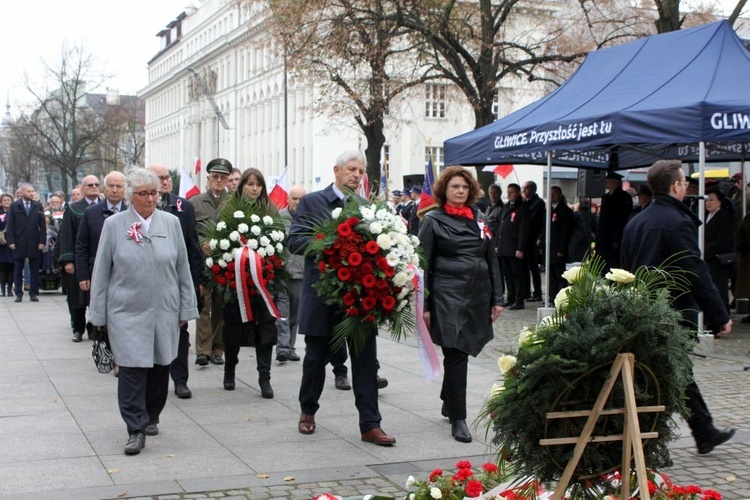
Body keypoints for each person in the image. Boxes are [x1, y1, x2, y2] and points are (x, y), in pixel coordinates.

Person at [621, 159, 735, 455]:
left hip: (641, 310)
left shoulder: (636, 221)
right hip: (671, 310)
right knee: (668, 373)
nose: (687, 188)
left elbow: (624, 270)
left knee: (673, 372)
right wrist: (720, 315)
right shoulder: (676, 222)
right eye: (685, 183)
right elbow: (696, 271)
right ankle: (646, 442)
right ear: (675, 186)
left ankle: (703, 430)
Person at [88, 168, 199, 455]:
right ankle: (135, 428)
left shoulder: (171, 223)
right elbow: (101, 272)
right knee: (132, 370)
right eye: (144, 194)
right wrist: (97, 315)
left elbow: (182, 269)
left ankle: (151, 414)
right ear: (130, 197)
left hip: (164, 309)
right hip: (125, 311)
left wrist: (186, 307)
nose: (151, 199)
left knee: (161, 368)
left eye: (155, 194)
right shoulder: (114, 226)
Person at [289, 150, 395, 446]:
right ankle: (307, 411)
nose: (357, 175)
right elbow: (294, 240)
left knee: (365, 363)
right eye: (351, 169)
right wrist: (331, 243)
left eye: (361, 171)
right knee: (315, 360)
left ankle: (370, 425)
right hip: (323, 298)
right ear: (336, 170)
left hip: (361, 299)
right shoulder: (313, 202)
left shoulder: (368, 207)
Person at [418, 166, 503, 443]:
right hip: (446, 295)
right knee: (456, 352)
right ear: (445, 190)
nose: (460, 191)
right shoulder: (432, 221)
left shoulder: (480, 219)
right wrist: (425, 306)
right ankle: (459, 418)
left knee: (461, 352)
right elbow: (424, 266)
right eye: (455, 186)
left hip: (478, 295)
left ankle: (449, 398)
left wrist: (497, 299)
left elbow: (492, 259)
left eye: (464, 187)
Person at [147, 164, 205, 399]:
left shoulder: (183, 207)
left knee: (180, 330)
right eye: (159, 178)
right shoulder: (138, 207)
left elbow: (192, 246)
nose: (165, 181)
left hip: (176, 280)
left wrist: (198, 280)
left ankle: (180, 380)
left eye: (167, 178)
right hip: (147, 283)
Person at [221, 168, 278, 398]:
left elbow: (278, 239)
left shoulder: (270, 211)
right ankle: (229, 370)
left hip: (264, 283)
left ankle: (264, 378)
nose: (254, 189)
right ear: (241, 185)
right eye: (250, 184)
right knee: (234, 328)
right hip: (236, 283)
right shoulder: (228, 210)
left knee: (265, 329)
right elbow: (219, 241)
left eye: (258, 185)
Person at [192, 158, 232, 366]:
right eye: (215, 177)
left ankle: (218, 349)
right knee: (203, 306)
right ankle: (202, 350)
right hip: (203, 263)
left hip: (225, 264)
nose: (218, 180)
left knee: (220, 307)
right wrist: (202, 243)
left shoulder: (234, 202)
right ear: (207, 179)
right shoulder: (195, 203)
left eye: (223, 177)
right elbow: (190, 233)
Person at [58, 175, 100, 341]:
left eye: (96, 184)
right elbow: (66, 235)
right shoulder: (73, 208)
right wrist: (68, 260)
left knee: (95, 297)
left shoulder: (104, 207)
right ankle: (78, 328)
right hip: (78, 259)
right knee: (77, 297)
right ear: (83, 189)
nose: (94, 187)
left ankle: (93, 327)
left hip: (96, 257)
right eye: (90, 185)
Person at [276, 185, 306, 363]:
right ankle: (282, 348)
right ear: (288, 199)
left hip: (300, 275)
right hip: (282, 273)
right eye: (294, 198)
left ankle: (291, 347)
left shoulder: (310, 219)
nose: (297, 202)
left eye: (301, 199)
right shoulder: (279, 218)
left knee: (295, 315)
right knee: (282, 314)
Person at [5, 183, 46, 302]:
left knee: (34, 269)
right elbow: (10, 225)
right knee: (18, 269)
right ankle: (18, 293)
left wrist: (42, 241)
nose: (31, 193)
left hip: (34, 241)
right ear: (22, 193)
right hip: (19, 242)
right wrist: (11, 241)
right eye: (28, 191)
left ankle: (33, 292)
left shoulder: (37, 206)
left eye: (32, 191)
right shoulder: (14, 206)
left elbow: (42, 225)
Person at [498, 183, 530, 309]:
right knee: (507, 275)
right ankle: (510, 297)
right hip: (505, 247)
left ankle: (519, 299)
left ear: (518, 193)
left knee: (517, 275)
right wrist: (498, 245)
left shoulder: (522, 208)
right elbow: (501, 228)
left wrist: (520, 248)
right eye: (508, 192)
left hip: (515, 248)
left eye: (511, 192)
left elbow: (524, 229)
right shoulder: (506, 207)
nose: (509, 194)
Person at [703, 189, 735, 314]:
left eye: (711, 200)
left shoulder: (725, 217)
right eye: (707, 200)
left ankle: (722, 317)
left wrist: (705, 250)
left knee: (720, 290)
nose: (708, 203)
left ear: (720, 202)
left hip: (719, 259)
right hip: (708, 259)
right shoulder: (706, 215)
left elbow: (723, 240)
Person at [596, 171, 632, 271]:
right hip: (604, 236)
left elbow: (622, 219)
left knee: (613, 264)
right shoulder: (606, 197)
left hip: (615, 235)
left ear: (615, 182)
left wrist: (617, 238)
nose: (605, 183)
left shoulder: (623, 197)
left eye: (608, 181)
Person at [548, 186, 574, 300]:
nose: (552, 196)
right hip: (550, 248)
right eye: (551, 194)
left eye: (554, 194)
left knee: (559, 274)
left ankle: (561, 297)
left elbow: (566, 231)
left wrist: (562, 249)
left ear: (560, 194)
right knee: (551, 275)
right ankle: (552, 296)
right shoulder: (550, 209)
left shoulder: (565, 211)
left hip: (558, 249)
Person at [522, 181, 545, 301]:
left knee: (534, 267)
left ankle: (537, 292)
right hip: (525, 239)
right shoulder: (525, 202)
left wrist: (539, 238)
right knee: (525, 266)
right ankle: (526, 291)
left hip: (533, 238)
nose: (524, 191)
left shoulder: (538, 203)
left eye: (527, 189)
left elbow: (534, 220)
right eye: (524, 189)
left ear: (533, 190)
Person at [568, 198, 596, 263]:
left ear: (580, 205)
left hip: (576, 243)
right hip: (589, 243)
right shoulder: (593, 216)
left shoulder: (575, 215)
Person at [0, 194, 16, 296]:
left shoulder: (15, 212)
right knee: (2, 267)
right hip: (1, 243)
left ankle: (10, 289)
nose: (6, 202)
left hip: (12, 242)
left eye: (8, 200)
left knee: (11, 266)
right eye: (4, 200)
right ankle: (2, 289)